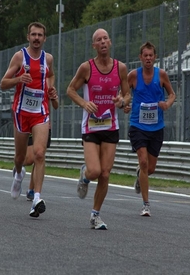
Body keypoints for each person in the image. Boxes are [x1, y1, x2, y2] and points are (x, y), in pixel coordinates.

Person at [66, 28, 131, 230]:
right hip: (91, 127)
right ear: (94, 46)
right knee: (94, 171)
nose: (102, 42)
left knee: (105, 173)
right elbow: (70, 90)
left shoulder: (121, 68)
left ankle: (95, 215)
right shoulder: (87, 68)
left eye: (105, 38)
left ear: (110, 43)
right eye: (98, 40)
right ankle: (85, 175)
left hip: (110, 126)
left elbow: (128, 95)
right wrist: (84, 103)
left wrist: (122, 101)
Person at [0, 22, 56, 218]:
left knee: (40, 154)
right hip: (21, 111)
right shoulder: (19, 57)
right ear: (28, 36)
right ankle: (18, 174)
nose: (37, 38)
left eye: (40, 35)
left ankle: (36, 198)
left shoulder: (47, 59)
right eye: (33, 34)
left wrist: (50, 88)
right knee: (20, 158)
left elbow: (51, 75)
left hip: (40, 111)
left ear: (45, 38)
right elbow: (3, 83)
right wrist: (18, 79)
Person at [125, 41, 176, 217]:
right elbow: (123, 93)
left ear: (154, 57)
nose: (148, 58)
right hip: (138, 126)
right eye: (145, 55)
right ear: (140, 57)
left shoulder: (161, 75)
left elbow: (172, 94)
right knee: (144, 161)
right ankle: (146, 205)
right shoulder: (133, 75)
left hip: (156, 127)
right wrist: (125, 103)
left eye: (150, 55)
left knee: (150, 168)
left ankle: (141, 174)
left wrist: (167, 104)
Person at [24, 97, 59, 201]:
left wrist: (54, 99)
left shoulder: (47, 85)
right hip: (29, 123)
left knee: (38, 157)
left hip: (43, 125)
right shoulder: (27, 82)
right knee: (29, 159)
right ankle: (18, 166)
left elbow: (56, 106)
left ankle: (32, 190)